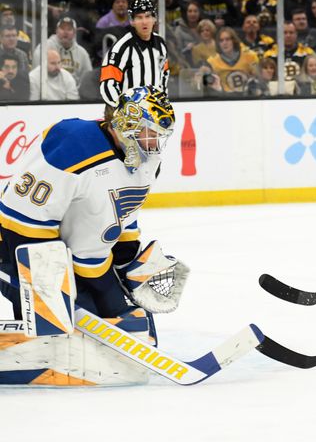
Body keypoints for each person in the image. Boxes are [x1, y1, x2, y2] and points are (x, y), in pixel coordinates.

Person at [0, 86, 186, 386]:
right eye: (149, 133)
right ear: (127, 123)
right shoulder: (74, 144)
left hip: (83, 256)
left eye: (160, 136)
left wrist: (126, 266)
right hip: (21, 245)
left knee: (131, 324)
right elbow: (20, 219)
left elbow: (123, 214)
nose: (155, 144)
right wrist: (50, 287)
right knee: (61, 324)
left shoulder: (148, 161)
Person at [100, 0, 170, 108]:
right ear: (132, 21)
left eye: (148, 16)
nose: (144, 22)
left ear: (154, 19)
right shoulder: (121, 47)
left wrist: (163, 104)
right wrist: (122, 108)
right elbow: (107, 84)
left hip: (154, 113)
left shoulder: (161, 44)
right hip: (128, 115)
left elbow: (164, 77)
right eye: (139, 17)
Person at [32, 17, 93, 89]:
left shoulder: (82, 53)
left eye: (69, 29)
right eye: (62, 29)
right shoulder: (43, 48)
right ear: (56, 31)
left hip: (74, 93)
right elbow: (36, 74)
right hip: (50, 91)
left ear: (74, 33)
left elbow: (88, 79)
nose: (65, 32)